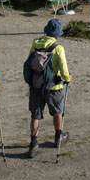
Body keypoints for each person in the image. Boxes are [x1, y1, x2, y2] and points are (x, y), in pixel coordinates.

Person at [24, 18, 71, 158]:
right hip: (53, 85)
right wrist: (67, 78)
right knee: (57, 111)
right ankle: (58, 136)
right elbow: (63, 68)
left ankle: (33, 143)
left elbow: (29, 62)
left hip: (36, 84)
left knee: (35, 114)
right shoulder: (58, 48)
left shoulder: (35, 44)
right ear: (57, 34)